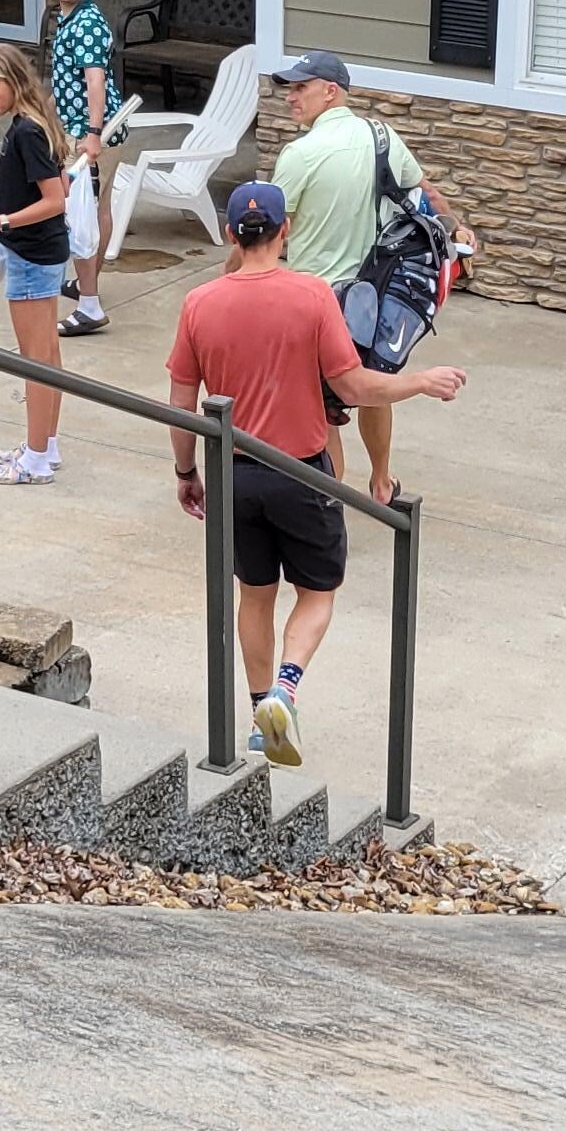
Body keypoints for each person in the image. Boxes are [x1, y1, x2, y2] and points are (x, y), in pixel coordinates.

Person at [168, 179, 467, 769]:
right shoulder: (311, 296)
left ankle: (261, 714)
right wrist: (419, 381)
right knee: (317, 594)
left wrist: (186, 471)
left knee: (254, 596)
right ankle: (285, 689)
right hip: (302, 474)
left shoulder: (199, 303)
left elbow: (181, 404)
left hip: (234, 474)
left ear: (230, 234)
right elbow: (352, 386)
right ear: (286, 231)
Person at [273, 50, 472, 505]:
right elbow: (424, 190)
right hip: (377, 292)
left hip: (319, 302)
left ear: (331, 91)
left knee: (324, 407)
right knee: (374, 380)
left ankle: (325, 503)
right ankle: (382, 482)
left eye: (300, 87)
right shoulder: (382, 136)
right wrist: (457, 228)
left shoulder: (299, 155)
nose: (290, 97)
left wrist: (235, 276)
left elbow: (271, 231)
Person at [0, 44, 72, 486]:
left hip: (31, 254)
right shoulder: (36, 123)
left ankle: (36, 460)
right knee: (48, 355)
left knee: (34, 361)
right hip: (45, 251)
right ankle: (46, 446)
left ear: (14, 83)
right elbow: (55, 182)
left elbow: (55, 200)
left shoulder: (26, 132)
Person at [42, 0, 117, 336]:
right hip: (89, 129)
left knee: (79, 217)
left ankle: (89, 305)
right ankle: (88, 286)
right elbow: (66, 81)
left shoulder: (86, 23)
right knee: (97, 211)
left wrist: (92, 134)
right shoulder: (70, 17)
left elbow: (94, 81)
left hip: (88, 134)